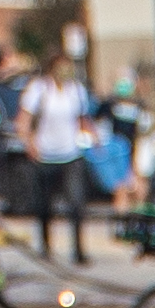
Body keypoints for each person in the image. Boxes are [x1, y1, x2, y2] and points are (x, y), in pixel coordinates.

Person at [16, 37, 103, 265]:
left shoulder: (76, 91)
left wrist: (94, 137)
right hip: (45, 154)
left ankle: (79, 250)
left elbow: (83, 118)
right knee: (44, 205)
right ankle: (45, 246)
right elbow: (23, 120)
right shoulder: (39, 89)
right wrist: (29, 143)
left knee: (76, 203)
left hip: (71, 154)